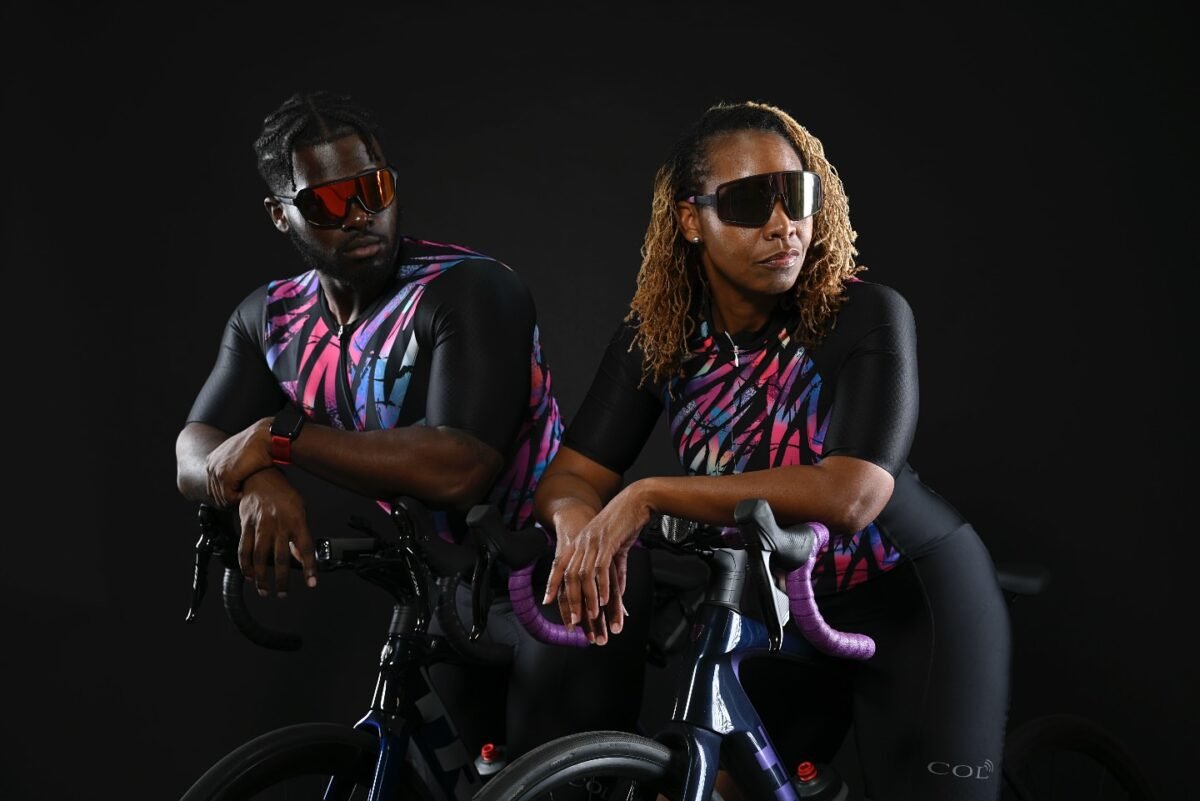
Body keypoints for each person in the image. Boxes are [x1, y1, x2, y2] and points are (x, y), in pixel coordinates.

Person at [535, 100, 1012, 801]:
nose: (783, 224)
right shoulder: (660, 338)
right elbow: (570, 476)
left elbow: (849, 495)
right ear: (691, 219)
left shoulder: (864, 314)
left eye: (796, 195)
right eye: (750, 202)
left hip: (915, 602)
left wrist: (647, 494)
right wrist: (580, 528)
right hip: (784, 613)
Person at [174, 90, 650, 763]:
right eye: (327, 202)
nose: (360, 214)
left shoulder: (470, 288)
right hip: (448, 585)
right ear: (280, 215)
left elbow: (460, 467)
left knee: (556, 787)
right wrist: (256, 481)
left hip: (562, 569)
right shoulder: (270, 319)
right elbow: (194, 450)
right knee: (459, 779)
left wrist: (279, 439)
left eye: (373, 188)